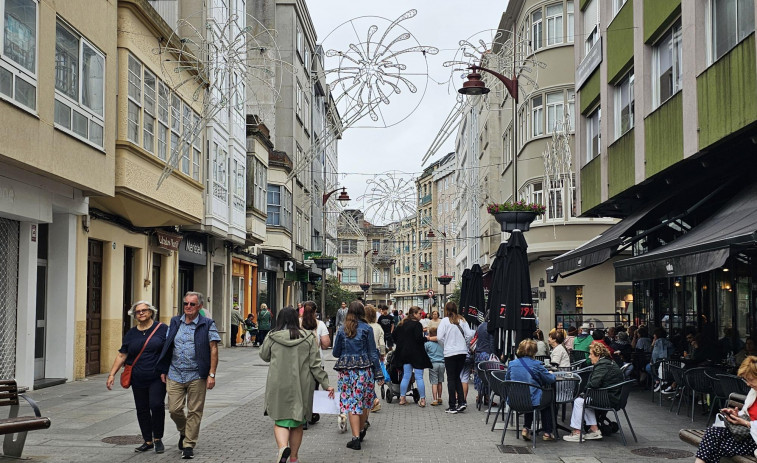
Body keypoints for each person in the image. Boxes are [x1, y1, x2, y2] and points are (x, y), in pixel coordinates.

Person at [260, 307, 334, 463]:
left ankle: (282, 448)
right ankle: (293, 457)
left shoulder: (272, 336)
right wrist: (326, 384)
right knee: (297, 422)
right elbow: (315, 365)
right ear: (296, 319)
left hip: (278, 384)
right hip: (301, 385)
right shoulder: (308, 337)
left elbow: (264, 356)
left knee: (280, 420)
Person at [157, 291, 220, 460]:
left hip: (197, 374)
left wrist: (211, 374)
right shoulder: (175, 321)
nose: (188, 307)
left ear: (199, 306)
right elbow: (168, 345)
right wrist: (163, 369)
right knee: (174, 409)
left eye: (192, 304)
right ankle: (184, 431)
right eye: (185, 304)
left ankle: (188, 444)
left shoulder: (207, 324)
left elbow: (213, 348)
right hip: (175, 372)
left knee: (195, 410)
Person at [106, 301, 168, 453]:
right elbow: (122, 354)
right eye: (137, 312)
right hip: (137, 377)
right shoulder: (131, 333)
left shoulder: (162, 329)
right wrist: (112, 374)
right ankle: (147, 440)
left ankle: (158, 438)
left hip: (157, 377)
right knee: (142, 409)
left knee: (156, 405)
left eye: (144, 310)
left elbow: (170, 350)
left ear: (151, 312)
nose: (141, 313)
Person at [332, 301, 384, 450]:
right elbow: (373, 353)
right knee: (364, 402)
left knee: (351, 403)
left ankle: (355, 438)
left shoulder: (343, 330)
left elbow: (335, 352)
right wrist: (379, 374)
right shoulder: (367, 328)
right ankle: (360, 430)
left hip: (347, 372)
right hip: (364, 371)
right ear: (362, 312)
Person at [693, 356, 757, 463]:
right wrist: (737, 415)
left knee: (715, 446)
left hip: (753, 440)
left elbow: (749, 421)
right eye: (746, 380)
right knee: (713, 433)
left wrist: (745, 422)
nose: (748, 383)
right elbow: (747, 414)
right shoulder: (753, 392)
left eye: (750, 379)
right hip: (747, 434)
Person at [563, 343, 624, 442]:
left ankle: (577, 432)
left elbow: (594, 383)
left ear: (598, 355)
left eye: (591, 354)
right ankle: (594, 429)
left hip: (607, 398)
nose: (589, 357)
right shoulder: (609, 362)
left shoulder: (602, 365)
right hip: (613, 396)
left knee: (579, 401)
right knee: (584, 399)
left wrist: (584, 391)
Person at [506, 339, 557, 441]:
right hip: (532, 400)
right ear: (534, 351)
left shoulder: (512, 363)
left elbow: (507, 380)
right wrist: (551, 373)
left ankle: (526, 428)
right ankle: (547, 432)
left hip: (515, 400)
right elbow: (550, 379)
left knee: (529, 396)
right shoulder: (537, 364)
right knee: (547, 401)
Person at [434, 301, 475, 414]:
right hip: (462, 352)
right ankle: (461, 402)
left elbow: (439, 337)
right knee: (457, 377)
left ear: (446, 310)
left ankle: (452, 405)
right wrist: (464, 344)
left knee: (451, 378)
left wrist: (445, 345)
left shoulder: (444, 321)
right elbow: (469, 334)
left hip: (450, 353)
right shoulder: (462, 320)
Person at [392, 306, 432, 407]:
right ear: (414, 314)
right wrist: (426, 338)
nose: (421, 315)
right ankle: (422, 400)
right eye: (419, 313)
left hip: (405, 354)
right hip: (417, 354)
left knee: (406, 376)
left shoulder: (402, 324)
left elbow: (393, 336)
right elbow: (418, 339)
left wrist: (401, 344)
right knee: (419, 377)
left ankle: (402, 398)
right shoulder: (417, 325)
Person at [364, 304, 386, 412]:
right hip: (375, 352)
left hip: (364, 353)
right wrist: (382, 354)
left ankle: (374, 399)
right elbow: (381, 343)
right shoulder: (378, 327)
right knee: (371, 377)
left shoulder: (362, 327)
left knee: (366, 378)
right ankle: (373, 399)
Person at [473, 317, 496, 407]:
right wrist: (494, 354)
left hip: (478, 354)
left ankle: (479, 396)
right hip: (487, 354)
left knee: (480, 376)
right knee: (488, 377)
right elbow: (492, 342)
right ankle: (487, 398)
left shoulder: (480, 326)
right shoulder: (491, 328)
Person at [647, 327, 675, 392]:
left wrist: (652, 344)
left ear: (656, 335)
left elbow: (655, 354)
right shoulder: (668, 342)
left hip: (660, 363)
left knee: (648, 367)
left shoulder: (658, 342)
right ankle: (659, 381)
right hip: (669, 363)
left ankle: (658, 380)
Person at [425, 327, 445, 406]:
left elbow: (424, 353)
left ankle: (435, 399)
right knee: (440, 382)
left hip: (433, 364)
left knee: (434, 382)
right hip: (442, 364)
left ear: (430, 334)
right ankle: (440, 398)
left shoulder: (428, 344)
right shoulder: (442, 343)